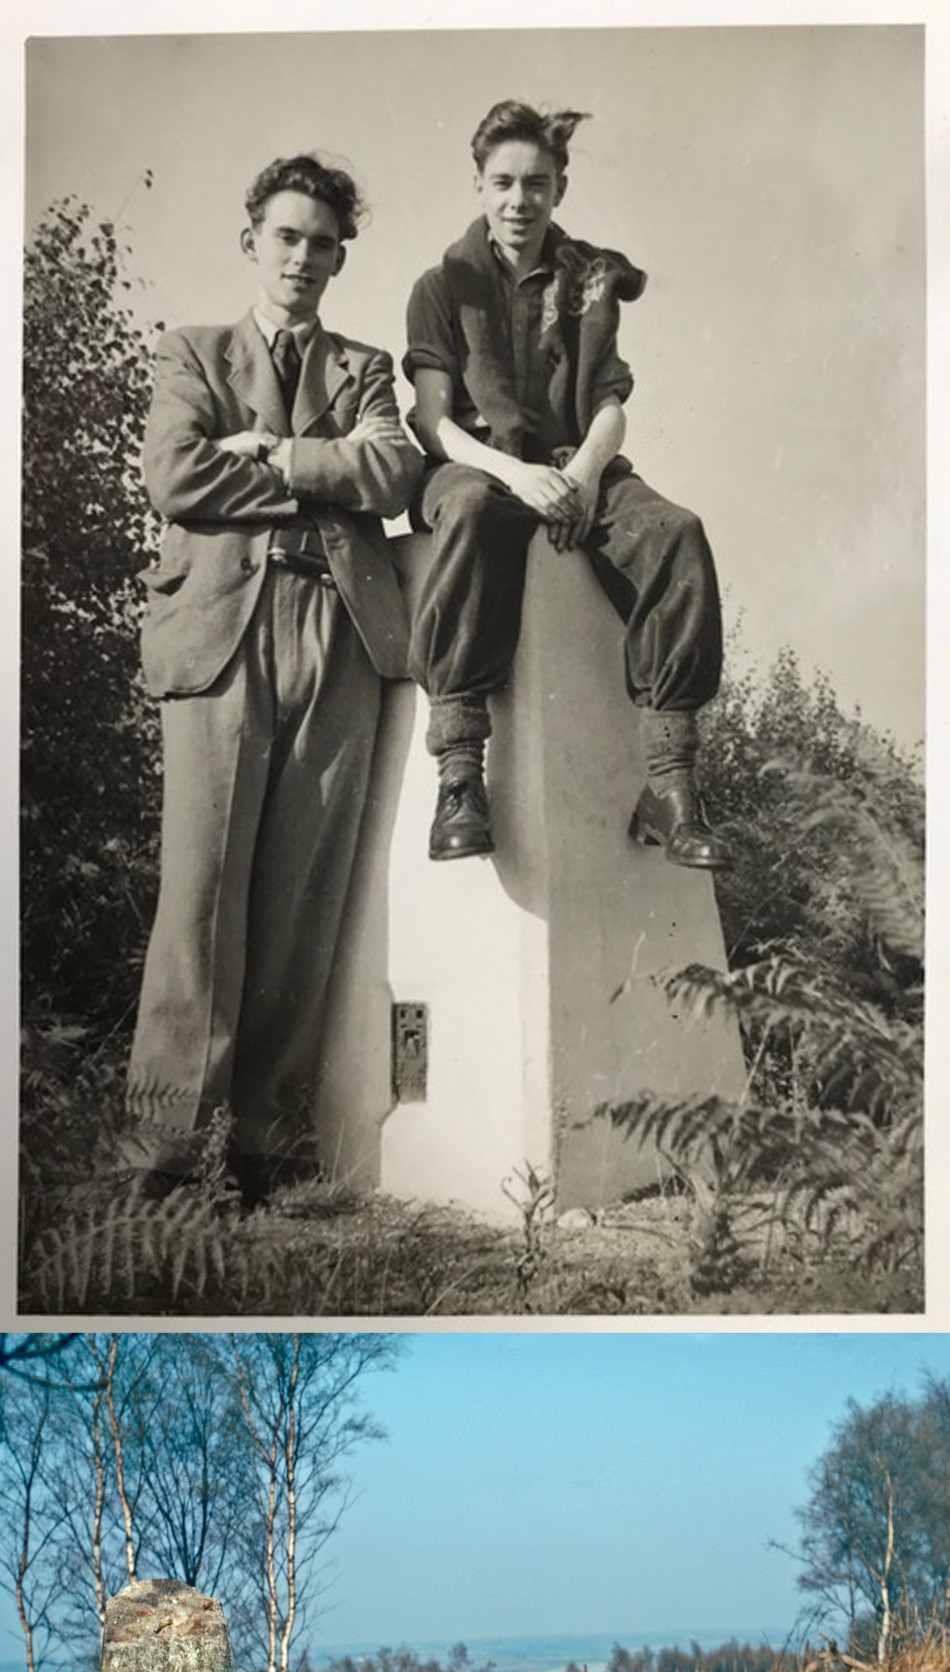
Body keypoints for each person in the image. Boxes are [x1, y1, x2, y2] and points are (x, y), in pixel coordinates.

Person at [123, 152, 422, 1203]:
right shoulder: (192, 352)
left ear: (341, 258)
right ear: (252, 240)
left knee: (300, 898)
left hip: (340, 632)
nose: (302, 257)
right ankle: (167, 1154)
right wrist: (321, 471)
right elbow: (175, 474)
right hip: (221, 631)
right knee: (202, 894)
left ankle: (266, 1147)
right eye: (286, 236)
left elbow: (393, 471)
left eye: (322, 243)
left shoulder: (364, 367)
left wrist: (274, 456)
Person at [403, 99, 730, 871]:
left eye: (537, 184)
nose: (520, 201)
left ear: (560, 188)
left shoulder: (589, 282)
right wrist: (517, 474)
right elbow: (432, 420)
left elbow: (611, 403)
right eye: (504, 183)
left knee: (676, 533)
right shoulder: (442, 285)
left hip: (575, 465)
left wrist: (581, 475)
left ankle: (670, 786)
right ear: (479, 185)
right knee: (472, 509)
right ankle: (460, 776)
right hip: (478, 466)